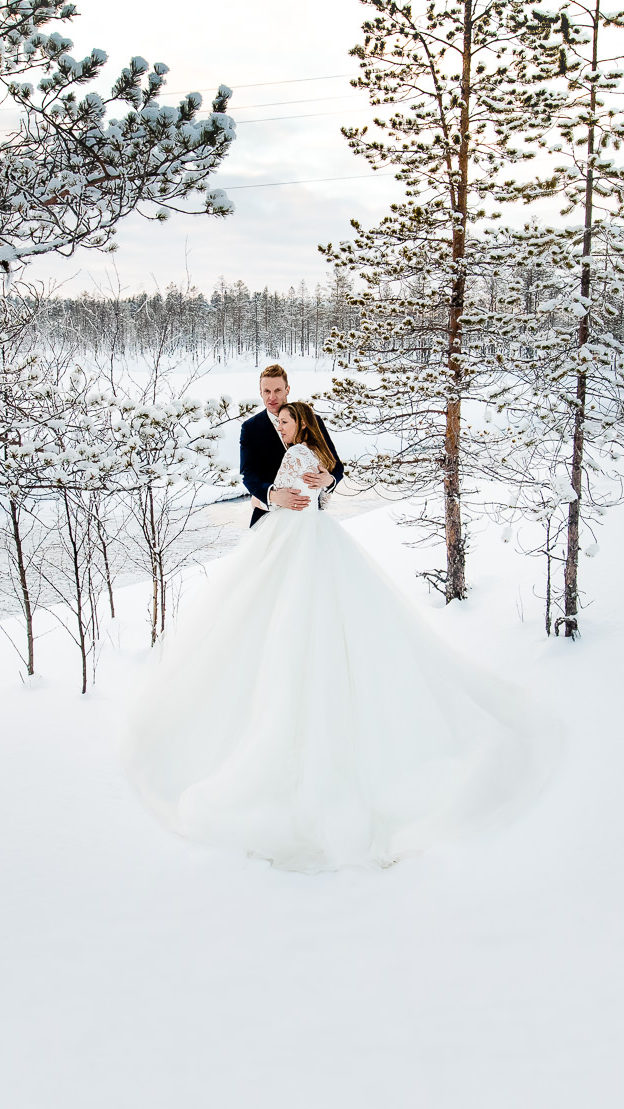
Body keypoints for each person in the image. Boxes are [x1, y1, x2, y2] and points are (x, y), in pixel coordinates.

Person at [123, 387, 559, 872]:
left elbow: (300, 493)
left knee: (279, 622)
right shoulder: (294, 447)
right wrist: (306, 485)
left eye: (285, 417)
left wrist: (288, 492)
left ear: (296, 416)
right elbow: (301, 485)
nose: (279, 422)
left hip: (292, 537)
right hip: (309, 533)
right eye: (276, 414)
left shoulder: (298, 451)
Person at [238, 363, 344, 527]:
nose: (272, 397)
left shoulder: (312, 421)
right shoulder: (251, 427)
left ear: (287, 390)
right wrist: (272, 496)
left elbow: (336, 465)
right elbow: (248, 474)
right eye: (267, 391)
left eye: (278, 390)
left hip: (309, 519)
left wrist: (329, 480)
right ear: (260, 392)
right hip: (268, 520)